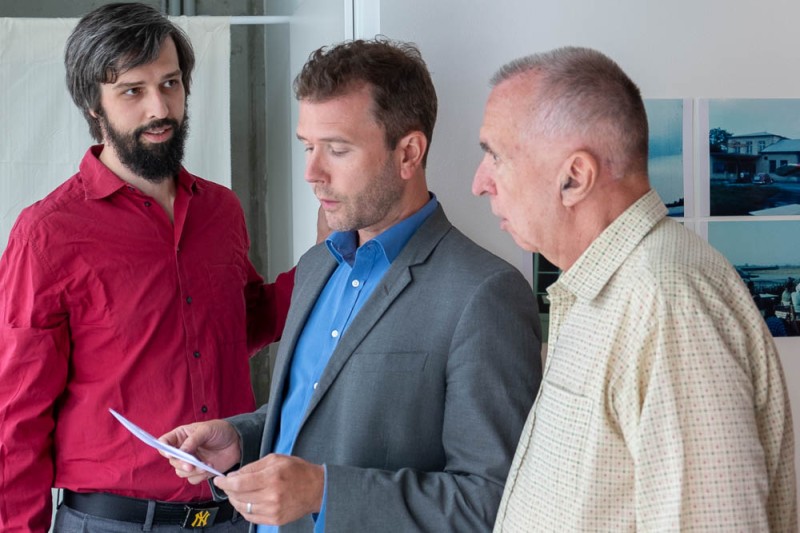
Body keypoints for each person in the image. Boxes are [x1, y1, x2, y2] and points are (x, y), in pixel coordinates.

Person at [161, 38, 542, 532]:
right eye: (308, 147)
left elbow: (491, 502)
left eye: (337, 149)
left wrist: (323, 491)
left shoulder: (485, 293)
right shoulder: (317, 266)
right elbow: (315, 413)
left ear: (409, 153)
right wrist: (241, 439)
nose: (311, 173)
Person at [0, 3, 310, 531]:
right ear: (93, 106)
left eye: (170, 84)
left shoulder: (220, 210)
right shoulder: (47, 233)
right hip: (110, 522)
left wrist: (332, 255)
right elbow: (15, 416)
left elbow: (244, 323)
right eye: (132, 90)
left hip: (230, 517)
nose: (159, 107)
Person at [472, 46, 796, 531]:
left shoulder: (668, 301)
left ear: (574, 177)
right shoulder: (607, 288)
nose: (480, 183)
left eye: (496, 156)